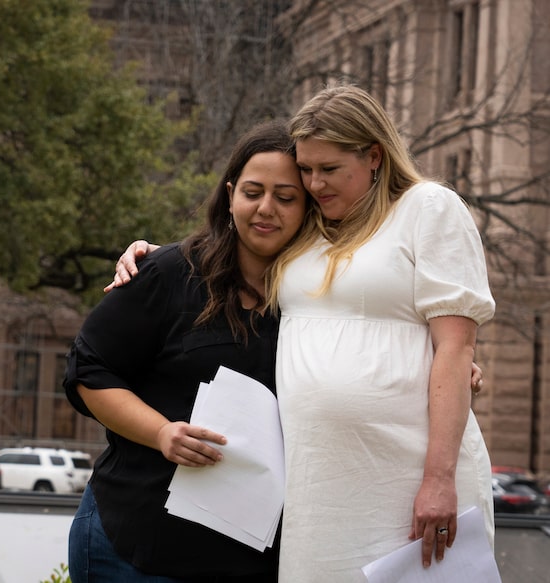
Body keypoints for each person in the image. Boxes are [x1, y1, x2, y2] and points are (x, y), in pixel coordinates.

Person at [110, 84, 495, 581]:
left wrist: (439, 480)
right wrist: (154, 255)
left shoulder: (429, 208)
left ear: (374, 156)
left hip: (409, 472)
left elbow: (456, 345)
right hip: (320, 483)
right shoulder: (314, 223)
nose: (313, 183)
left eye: (329, 169)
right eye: (307, 169)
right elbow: (242, 253)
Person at [63, 120, 311, 582]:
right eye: (253, 192)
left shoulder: (319, 299)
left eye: (286, 196)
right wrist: (161, 433)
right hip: (134, 544)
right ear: (231, 194)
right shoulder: (170, 273)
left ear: (308, 207)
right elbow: (88, 369)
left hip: (248, 560)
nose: (266, 209)